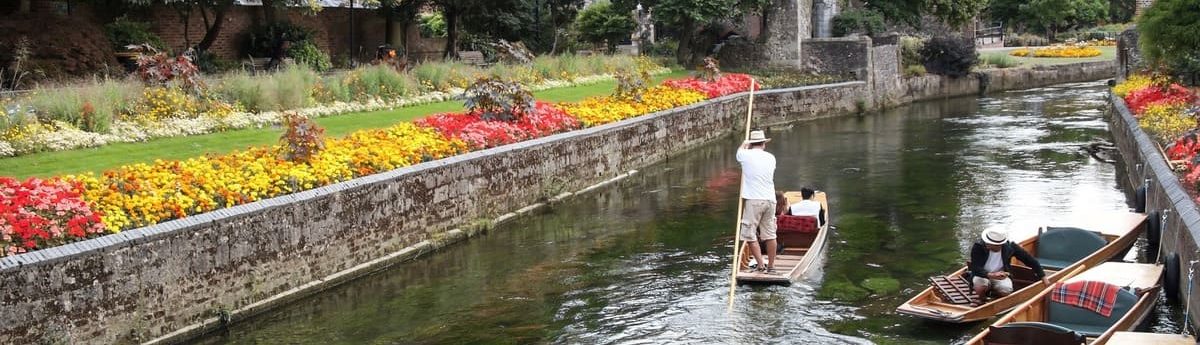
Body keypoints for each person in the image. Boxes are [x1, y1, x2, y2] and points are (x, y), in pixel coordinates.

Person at [969, 228, 1050, 304]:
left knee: (1006, 290)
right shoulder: (978, 247)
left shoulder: (1010, 247)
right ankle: (981, 299)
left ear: (999, 245)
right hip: (982, 275)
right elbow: (975, 268)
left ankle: (993, 296)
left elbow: (1030, 260)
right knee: (980, 283)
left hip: (1001, 276)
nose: (986, 245)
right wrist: (991, 275)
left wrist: (1043, 277)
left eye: (990, 244)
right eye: (986, 243)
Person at [737, 129, 778, 274]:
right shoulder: (771, 158)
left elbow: (739, 152)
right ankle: (771, 267)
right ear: (763, 144)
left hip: (754, 200)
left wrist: (744, 144)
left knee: (749, 234)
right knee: (770, 234)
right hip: (770, 200)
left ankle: (761, 265)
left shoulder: (744, 154)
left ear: (751, 144)